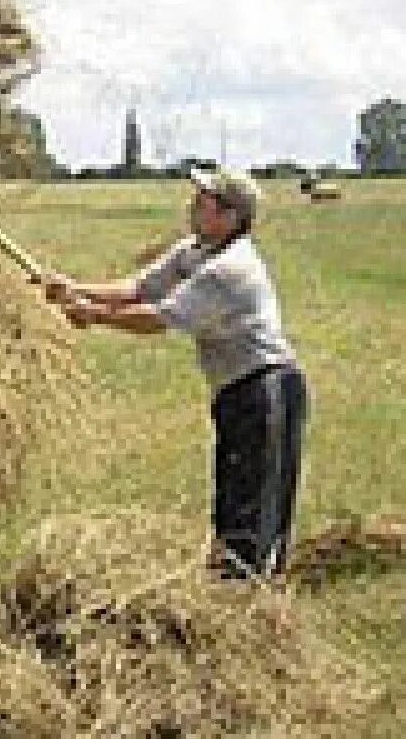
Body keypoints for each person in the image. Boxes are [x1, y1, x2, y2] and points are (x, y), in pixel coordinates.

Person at [42, 167, 307, 580]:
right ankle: (233, 582)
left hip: (266, 388)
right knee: (233, 489)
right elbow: (139, 289)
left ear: (231, 216)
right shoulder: (194, 251)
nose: (194, 205)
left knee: (257, 498)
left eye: (205, 200)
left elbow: (161, 318)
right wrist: (74, 289)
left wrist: (92, 315)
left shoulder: (231, 270)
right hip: (237, 389)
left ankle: (252, 595)